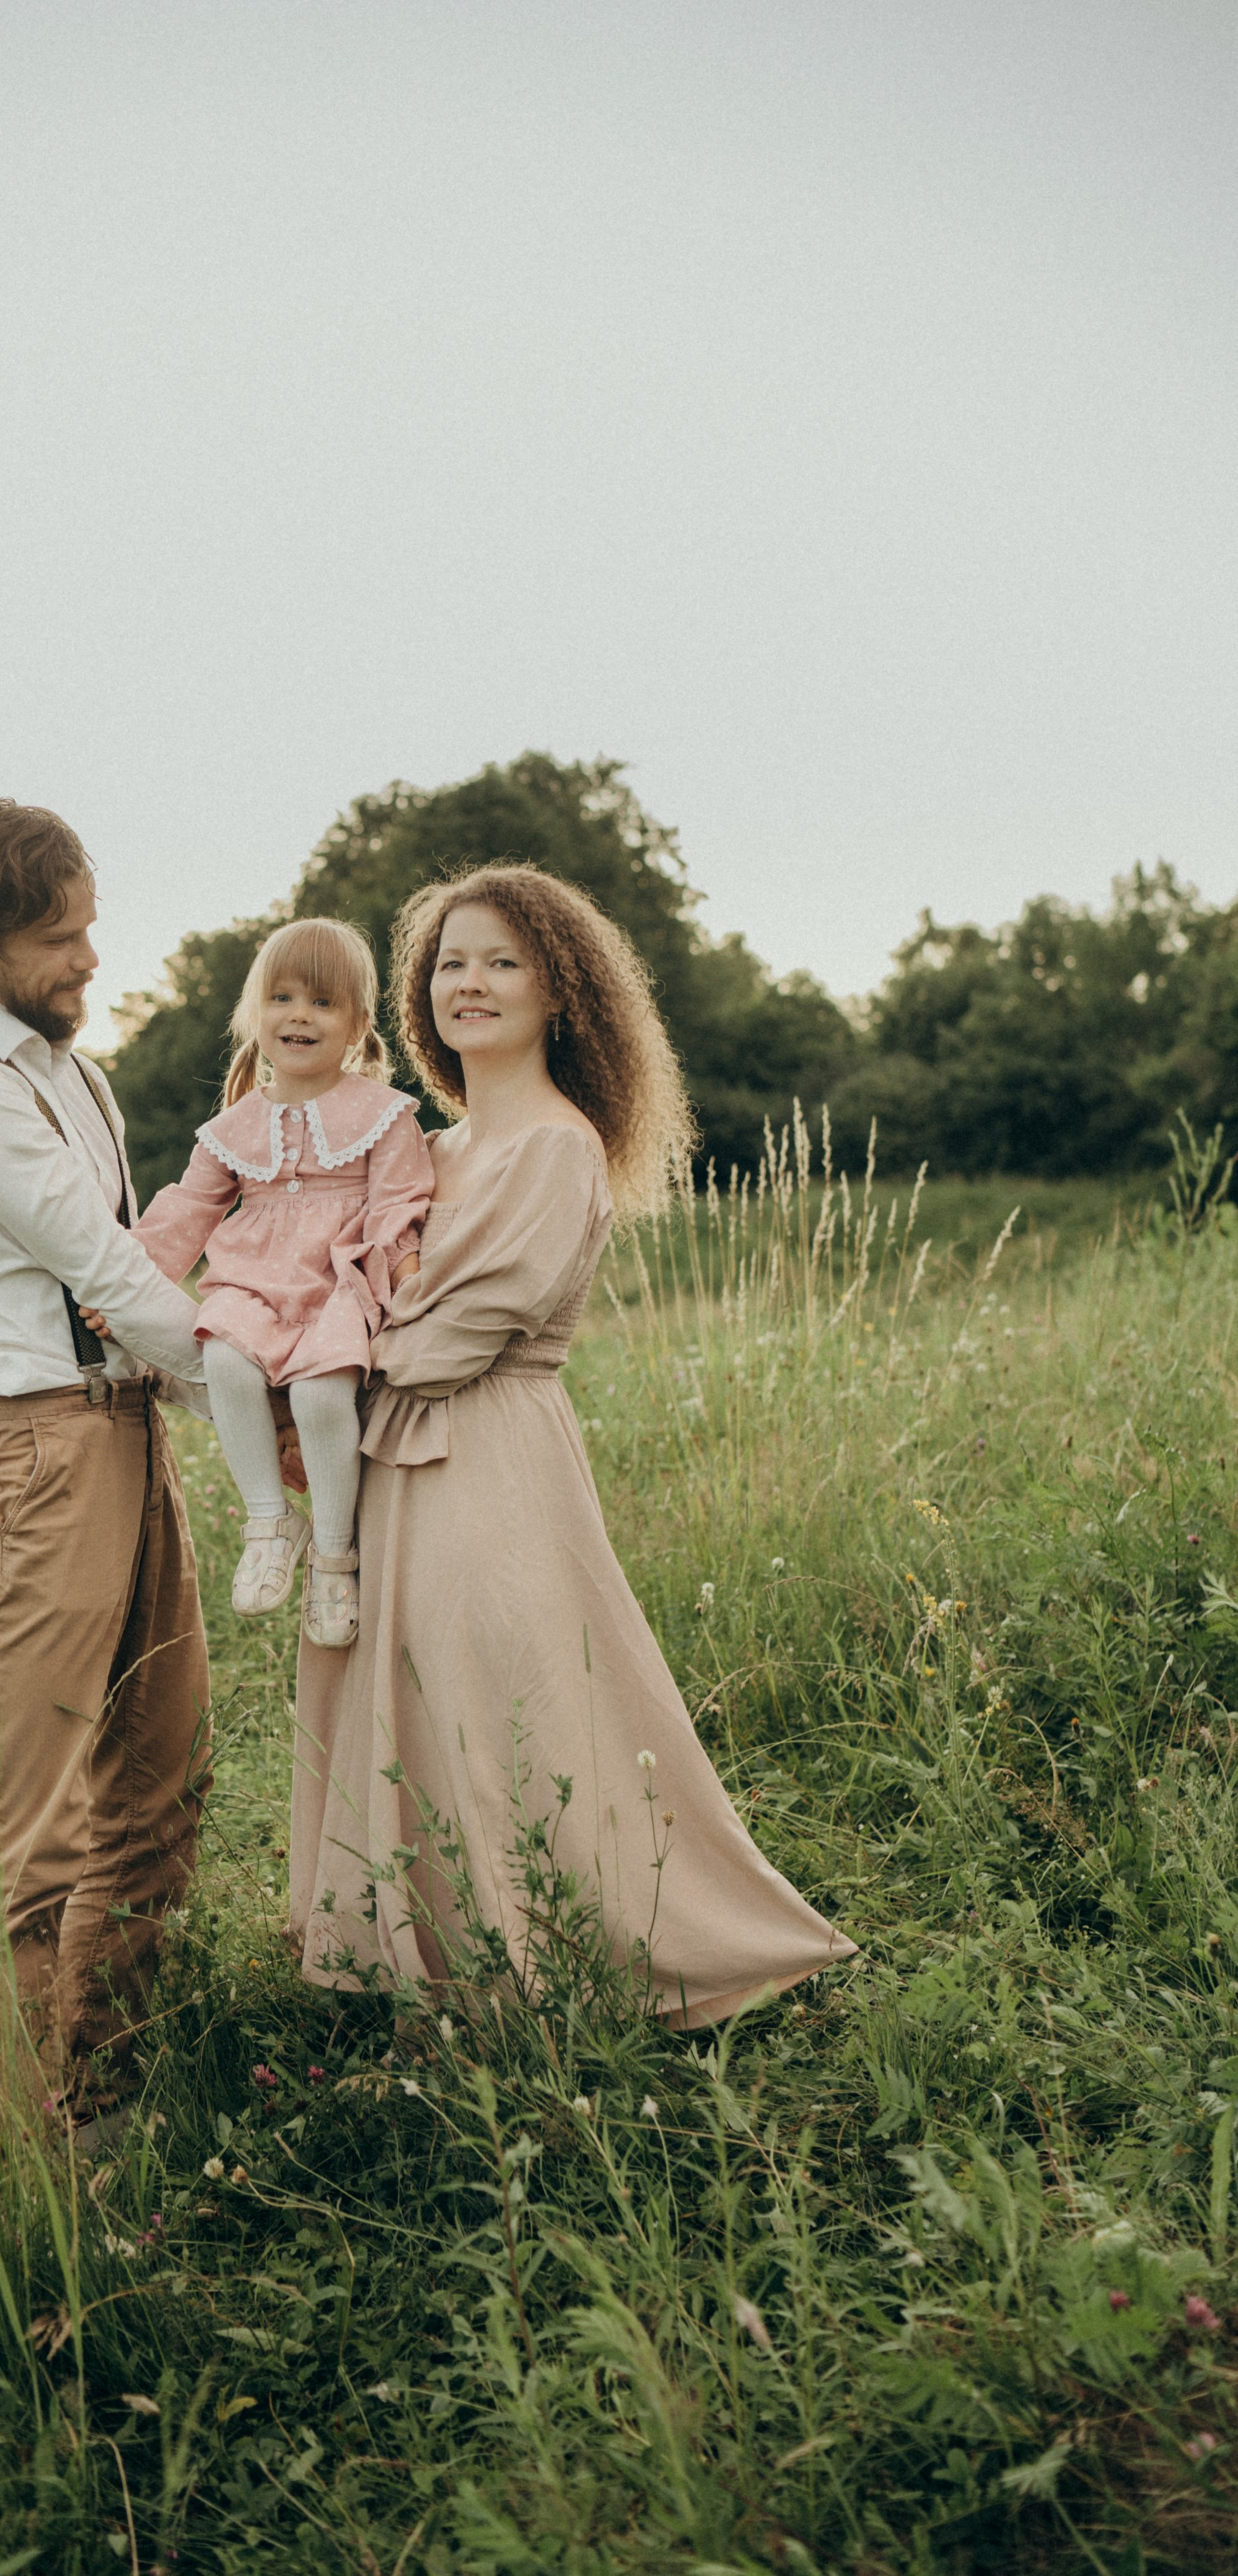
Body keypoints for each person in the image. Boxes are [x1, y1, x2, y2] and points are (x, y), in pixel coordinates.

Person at [289, 865, 857, 2026]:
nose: (471, 983)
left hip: (485, 1458)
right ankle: (425, 1965)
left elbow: (457, 1336)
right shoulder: (429, 1147)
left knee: (492, 1700)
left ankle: (538, 1968)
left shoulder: (555, 1146)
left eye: (504, 962)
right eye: (451, 962)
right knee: (402, 1698)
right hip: (392, 1460)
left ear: (560, 993)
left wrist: (316, 1362)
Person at [0, 798, 212, 2132]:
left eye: (88, 927)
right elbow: (111, 1272)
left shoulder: (79, 1076)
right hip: (32, 1457)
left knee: (158, 1783)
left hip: (127, 1432)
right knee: (34, 1836)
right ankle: (3, 2148)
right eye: (56, 938)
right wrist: (273, 1410)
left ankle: (101, 2096)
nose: (88, 958)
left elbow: (132, 1285)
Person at [130, 918, 431, 1650]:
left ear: (357, 1023)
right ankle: (268, 1521)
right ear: (255, 1012)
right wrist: (126, 1287)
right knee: (225, 1358)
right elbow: (188, 1209)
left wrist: (409, 1286)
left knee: (322, 1395)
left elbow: (398, 1208)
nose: (300, 1015)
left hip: (336, 1284)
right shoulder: (234, 1125)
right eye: (283, 998)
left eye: (323, 1002)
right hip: (256, 1284)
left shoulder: (383, 1115)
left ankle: (334, 1555)